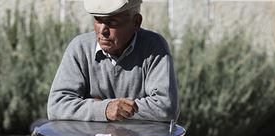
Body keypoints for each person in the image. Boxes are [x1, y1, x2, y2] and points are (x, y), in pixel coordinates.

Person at [46, 0, 178, 122]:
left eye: (112, 22)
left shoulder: (153, 47)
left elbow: (166, 107)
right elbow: (56, 106)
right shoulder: (80, 47)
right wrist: (104, 109)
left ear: (136, 22)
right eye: (98, 20)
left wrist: (96, 106)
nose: (103, 31)